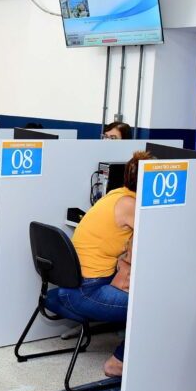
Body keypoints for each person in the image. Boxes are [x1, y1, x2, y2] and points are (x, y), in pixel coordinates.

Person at [61, 151, 154, 378]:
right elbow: (157, 239)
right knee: (152, 306)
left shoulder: (116, 194)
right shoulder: (130, 205)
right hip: (87, 290)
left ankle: (130, 341)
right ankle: (117, 362)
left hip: (74, 282)